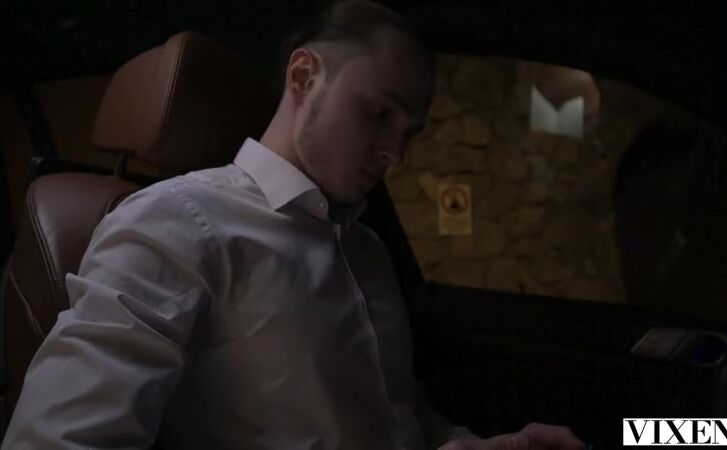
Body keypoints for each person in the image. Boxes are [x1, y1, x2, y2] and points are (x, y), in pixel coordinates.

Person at [2, 1, 585, 449]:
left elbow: (396, 413)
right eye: (379, 114)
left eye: (407, 132)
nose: (394, 153)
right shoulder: (175, 223)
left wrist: (466, 444)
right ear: (304, 76)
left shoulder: (367, 249)